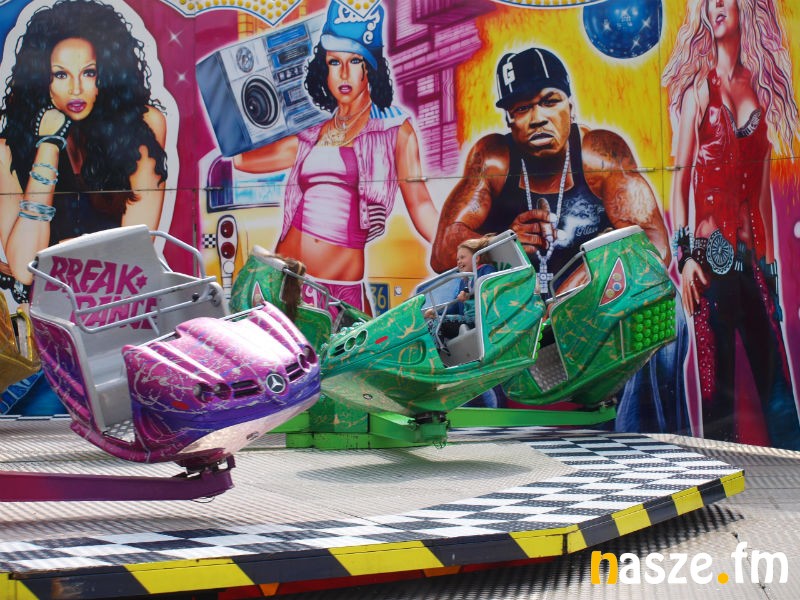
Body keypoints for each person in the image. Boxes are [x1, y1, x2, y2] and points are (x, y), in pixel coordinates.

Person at [234, 3, 437, 316]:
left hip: (338, 290)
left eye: (355, 61)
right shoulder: (311, 133)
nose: (343, 73)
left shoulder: (394, 130)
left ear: (370, 69)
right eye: (333, 62)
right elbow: (242, 161)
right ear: (323, 69)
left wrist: (460, 247)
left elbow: (421, 203)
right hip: (286, 282)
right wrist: (258, 93)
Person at [663, 0, 800, 448]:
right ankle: (720, 474)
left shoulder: (757, 88)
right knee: (716, 390)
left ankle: (792, 469)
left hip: (752, 263)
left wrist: (771, 267)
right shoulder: (699, 91)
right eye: (709, 1)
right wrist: (684, 258)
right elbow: (680, 181)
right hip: (708, 262)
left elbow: (761, 195)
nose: (716, 5)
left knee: (776, 385)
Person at [430, 46, 670, 297]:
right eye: (522, 108)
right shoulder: (494, 160)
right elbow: (442, 253)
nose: (538, 118)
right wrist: (502, 246)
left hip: (593, 303)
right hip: (518, 305)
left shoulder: (599, 155)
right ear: (509, 121)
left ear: (571, 108)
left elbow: (654, 246)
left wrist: (576, 287)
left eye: (549, 101)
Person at [0, 0, 168, 304]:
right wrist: (49, 145)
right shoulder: (7, 150)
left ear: (107, 75)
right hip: (47, 312)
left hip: (118, 305)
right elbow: (24, 268)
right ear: (41, 79)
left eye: (89, 73)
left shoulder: (143, 126)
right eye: (60, 75)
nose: (76, 89)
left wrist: (55, 257)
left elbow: (135, 249)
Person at [424, 236, 496, 340]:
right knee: (432, 322)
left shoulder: (485, 270)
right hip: (467, 319)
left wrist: (470, 294)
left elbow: (488, 285)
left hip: (481, 317)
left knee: (436, 323)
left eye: (462, 257)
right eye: (457, 259)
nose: (459, 261)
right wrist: (436, 312)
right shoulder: (464, 281)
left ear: (476, 258)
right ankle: (440, 348)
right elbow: (455, 306)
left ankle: (439, 349)